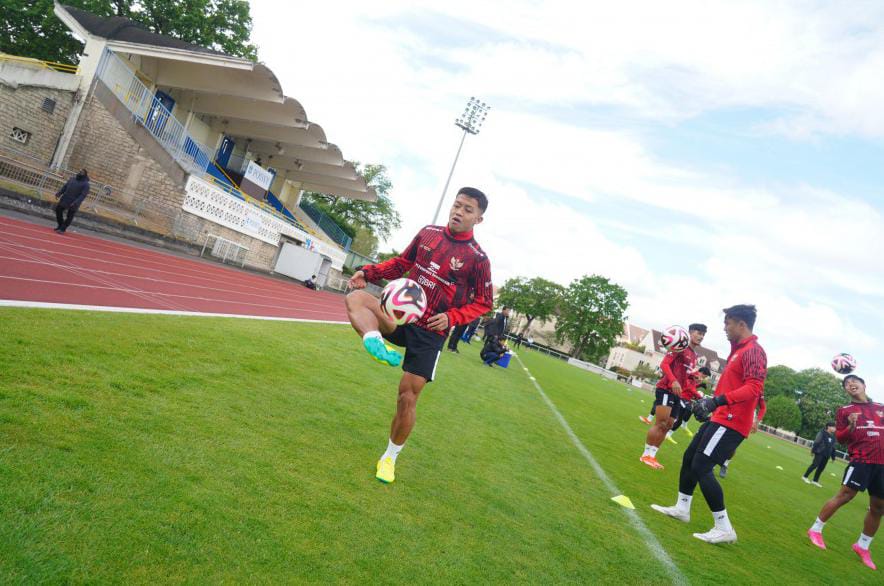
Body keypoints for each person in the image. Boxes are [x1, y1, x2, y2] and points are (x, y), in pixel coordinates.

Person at [344, 188, 492, 484]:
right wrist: (368, 272)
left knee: (406, 398)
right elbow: (401, 263)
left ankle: (389, 458)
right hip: (399, 316)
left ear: (479, 218)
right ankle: (373, 340)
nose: (458, 212)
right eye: (457, 205)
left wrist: (452, 317)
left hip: (430, 333)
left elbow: (484, 301)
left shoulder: (477, 259)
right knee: (356, 299)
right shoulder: (429, 233)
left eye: (467, 209)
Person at [652, 304, 767, 544]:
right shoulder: (738, 350)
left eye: (728, 323)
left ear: (741, 324)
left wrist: (716, 402)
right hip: (720, 417)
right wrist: (707, 403)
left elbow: (754, 388)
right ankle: (682, 508)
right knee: (689, 458)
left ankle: (724, 527)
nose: (724, 328)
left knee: (702, 466)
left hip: (732, 421)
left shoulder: (753, 351)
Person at [807, 375, 883, 570]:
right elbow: (840, 438)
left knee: (878, 507)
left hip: (882, 464)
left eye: (854, 382)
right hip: (861, 460)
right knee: (844, 496)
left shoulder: (881, 408)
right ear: (846, 391)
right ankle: (815, 530)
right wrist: (850, 425)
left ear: (864, 385)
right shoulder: (845, 411)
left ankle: (862, 546)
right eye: (847, 384)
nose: (851, 385)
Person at [640, 323, 706, 469]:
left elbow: (686, 373)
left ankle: (652, 456)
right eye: (698, 332)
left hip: (678, 394)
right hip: (666, 389)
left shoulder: (694, 355)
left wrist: (694, 376)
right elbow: (664, 365)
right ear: (689, 333)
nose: (701, 336)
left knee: (668, 426)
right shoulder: (679, 346)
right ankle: (645, 455)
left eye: (703, 334)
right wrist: (674, 380)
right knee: (661, 423)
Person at [54, 169, 90, 233]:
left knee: (70, 215)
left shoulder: (86, 184)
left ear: (85, 174)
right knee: (58, 209)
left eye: (81, 172)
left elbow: (82, 195)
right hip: (66, 198)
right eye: (79, 171)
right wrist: (59, 193)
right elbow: (65, 187)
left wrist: (76, 202)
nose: (79, 172)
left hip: (74, 202)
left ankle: (63, 228)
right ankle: (61, 225)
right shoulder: (72, 179)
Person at [803, 423, 838, 487]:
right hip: (820, 452)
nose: (835, 429)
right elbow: (817, 442)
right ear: (828, 427)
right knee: (814, 465)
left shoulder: (833, 437)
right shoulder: (822, 433)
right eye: (833, 427)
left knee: (821, 468)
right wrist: (813, 451)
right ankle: (805, 476)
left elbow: (833, 448)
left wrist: (833, 457)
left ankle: (815, 481)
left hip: (827, 455)